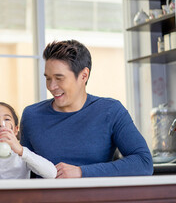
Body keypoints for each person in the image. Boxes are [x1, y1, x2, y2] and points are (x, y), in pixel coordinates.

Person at [20, 40, 153, 178]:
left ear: (84, 75)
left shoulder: (111, 111)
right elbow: (22, 172)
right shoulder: (31, 116)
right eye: (48, 78)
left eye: (59, 78)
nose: (52, 86)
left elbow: (144, 163)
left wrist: (81, 172)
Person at [0, 102, 57, 179]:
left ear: (15, 130)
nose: (1, 124)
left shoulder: (22, 154)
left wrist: (21, 151)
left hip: (20, 197)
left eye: (7, 119)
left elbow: (52, 173)